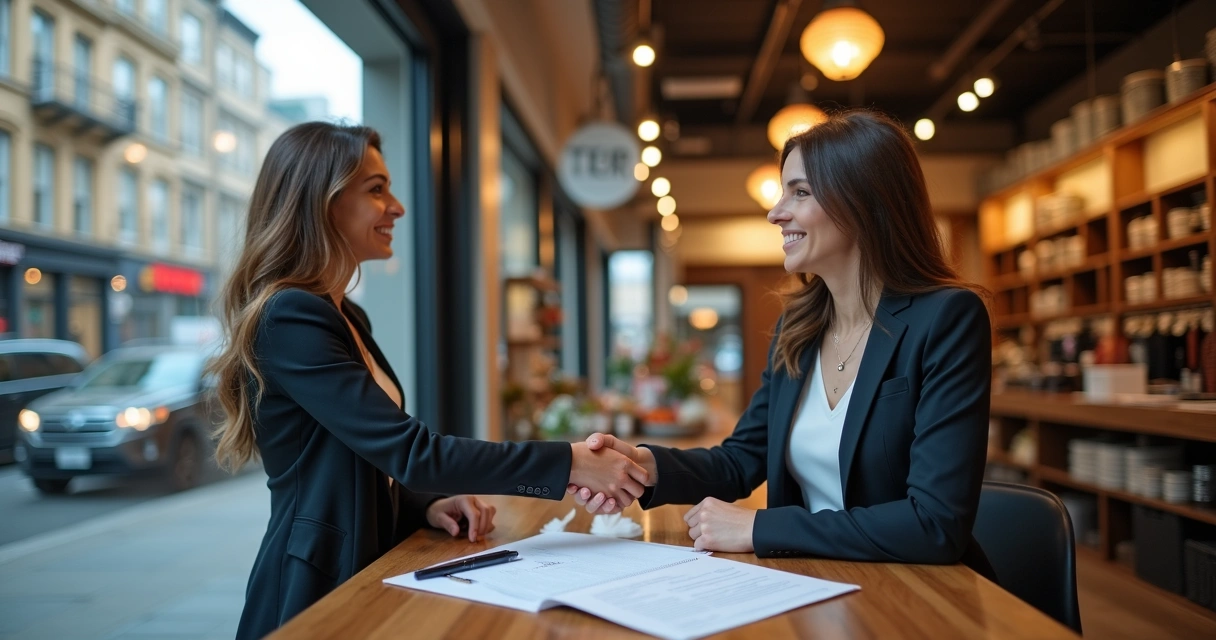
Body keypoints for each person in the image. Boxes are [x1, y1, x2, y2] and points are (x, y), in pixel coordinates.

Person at [208, 122, 644, 640]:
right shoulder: (291, 317)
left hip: (370, 563)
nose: (397, 206)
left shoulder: (347, 315)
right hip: (316, 582)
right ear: (321, 201)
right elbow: (412, 451)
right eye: (376, 189)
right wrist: (569, 462)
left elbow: (371, 455)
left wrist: (427, 502)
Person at [568, 109, 996, 578]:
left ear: (864, 201)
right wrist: (643, 466)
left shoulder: (946, 319)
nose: (775, 213)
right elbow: (740, 460)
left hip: (920, 591)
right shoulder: (799, 328)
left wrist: (759, 528)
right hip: (817, 581)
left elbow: (934, 523)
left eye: (800, 192)